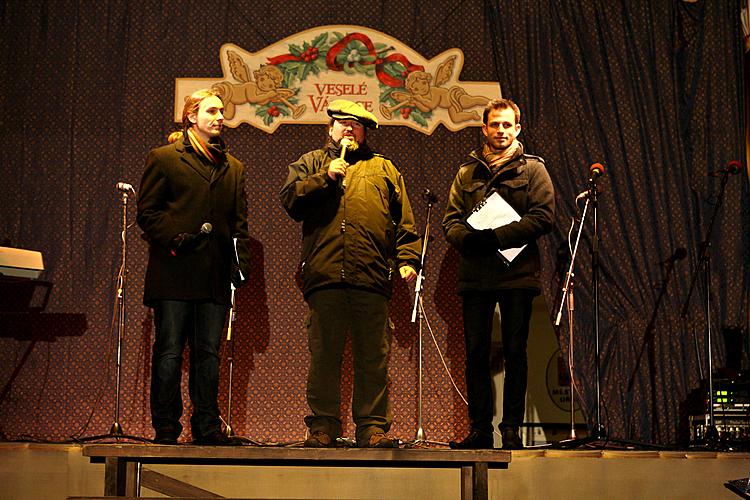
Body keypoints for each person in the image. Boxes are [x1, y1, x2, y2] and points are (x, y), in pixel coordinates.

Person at [280, 99, 422, 448]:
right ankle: (323, 427)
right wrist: (324, 178)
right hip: (325, 276)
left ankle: (373, 428)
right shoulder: (311, 163)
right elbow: (290, 200)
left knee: (373, 359)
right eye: (342, 122)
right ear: (330, 128)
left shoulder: (385, 169)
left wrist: (408, 259)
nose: (348, 129)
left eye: (355, 124)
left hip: (372, 277)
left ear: (365, 131)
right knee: (324, 357)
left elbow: (404, 223)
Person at [137, 88, 251, 445]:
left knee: (208, 355)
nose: (220, 117)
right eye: (212, 111)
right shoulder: (165, 157)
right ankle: (166, 428)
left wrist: (239, 265)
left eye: (222, 112)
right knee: (169, 351)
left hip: (214, 275)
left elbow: (239, 224)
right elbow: (148, 212)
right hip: (174, 272)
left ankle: (207, 427)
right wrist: (175, 239)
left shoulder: (232, 167)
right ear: (191, 116)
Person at [442, 98, 555, 449]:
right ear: (485, 129)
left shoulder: (534, 170)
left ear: (517, 129)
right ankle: (479, 429)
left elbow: (543, 216)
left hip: (517, 274)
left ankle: (511, 430)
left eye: (508, 125)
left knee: (514, 351)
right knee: (476, 353)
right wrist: (469, 239)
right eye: (495, 125)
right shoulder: (467, 172)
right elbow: (451, 219)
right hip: (476, 274)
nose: (501, 131)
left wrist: (495, 236)